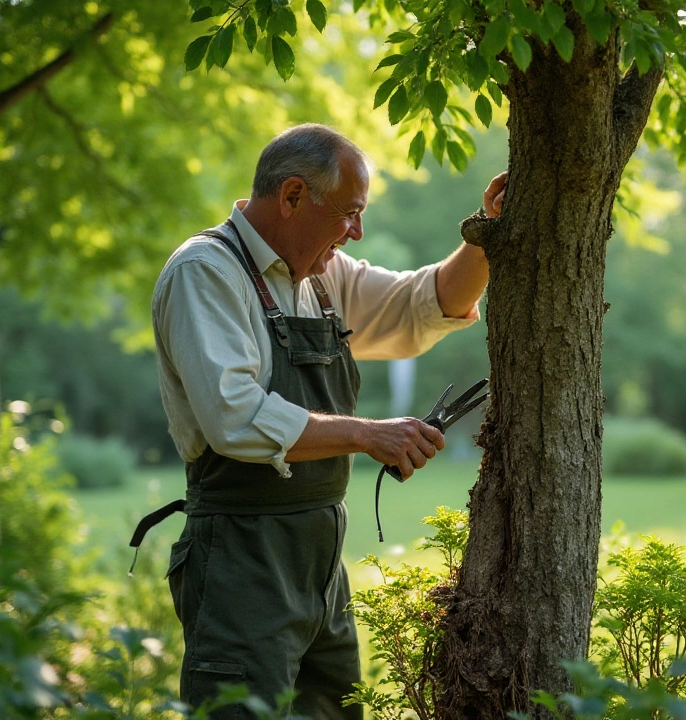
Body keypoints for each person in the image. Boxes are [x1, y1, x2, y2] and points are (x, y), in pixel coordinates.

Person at [147, 123, 506, 719]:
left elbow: (422, 305)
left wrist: (487, 233)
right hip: (241, 556)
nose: (356, 232)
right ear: (292, 198)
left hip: (321, 559)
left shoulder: (321, 276)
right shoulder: (206, 272)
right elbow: (233, 417)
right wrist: (367, 434)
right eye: (348, 214)